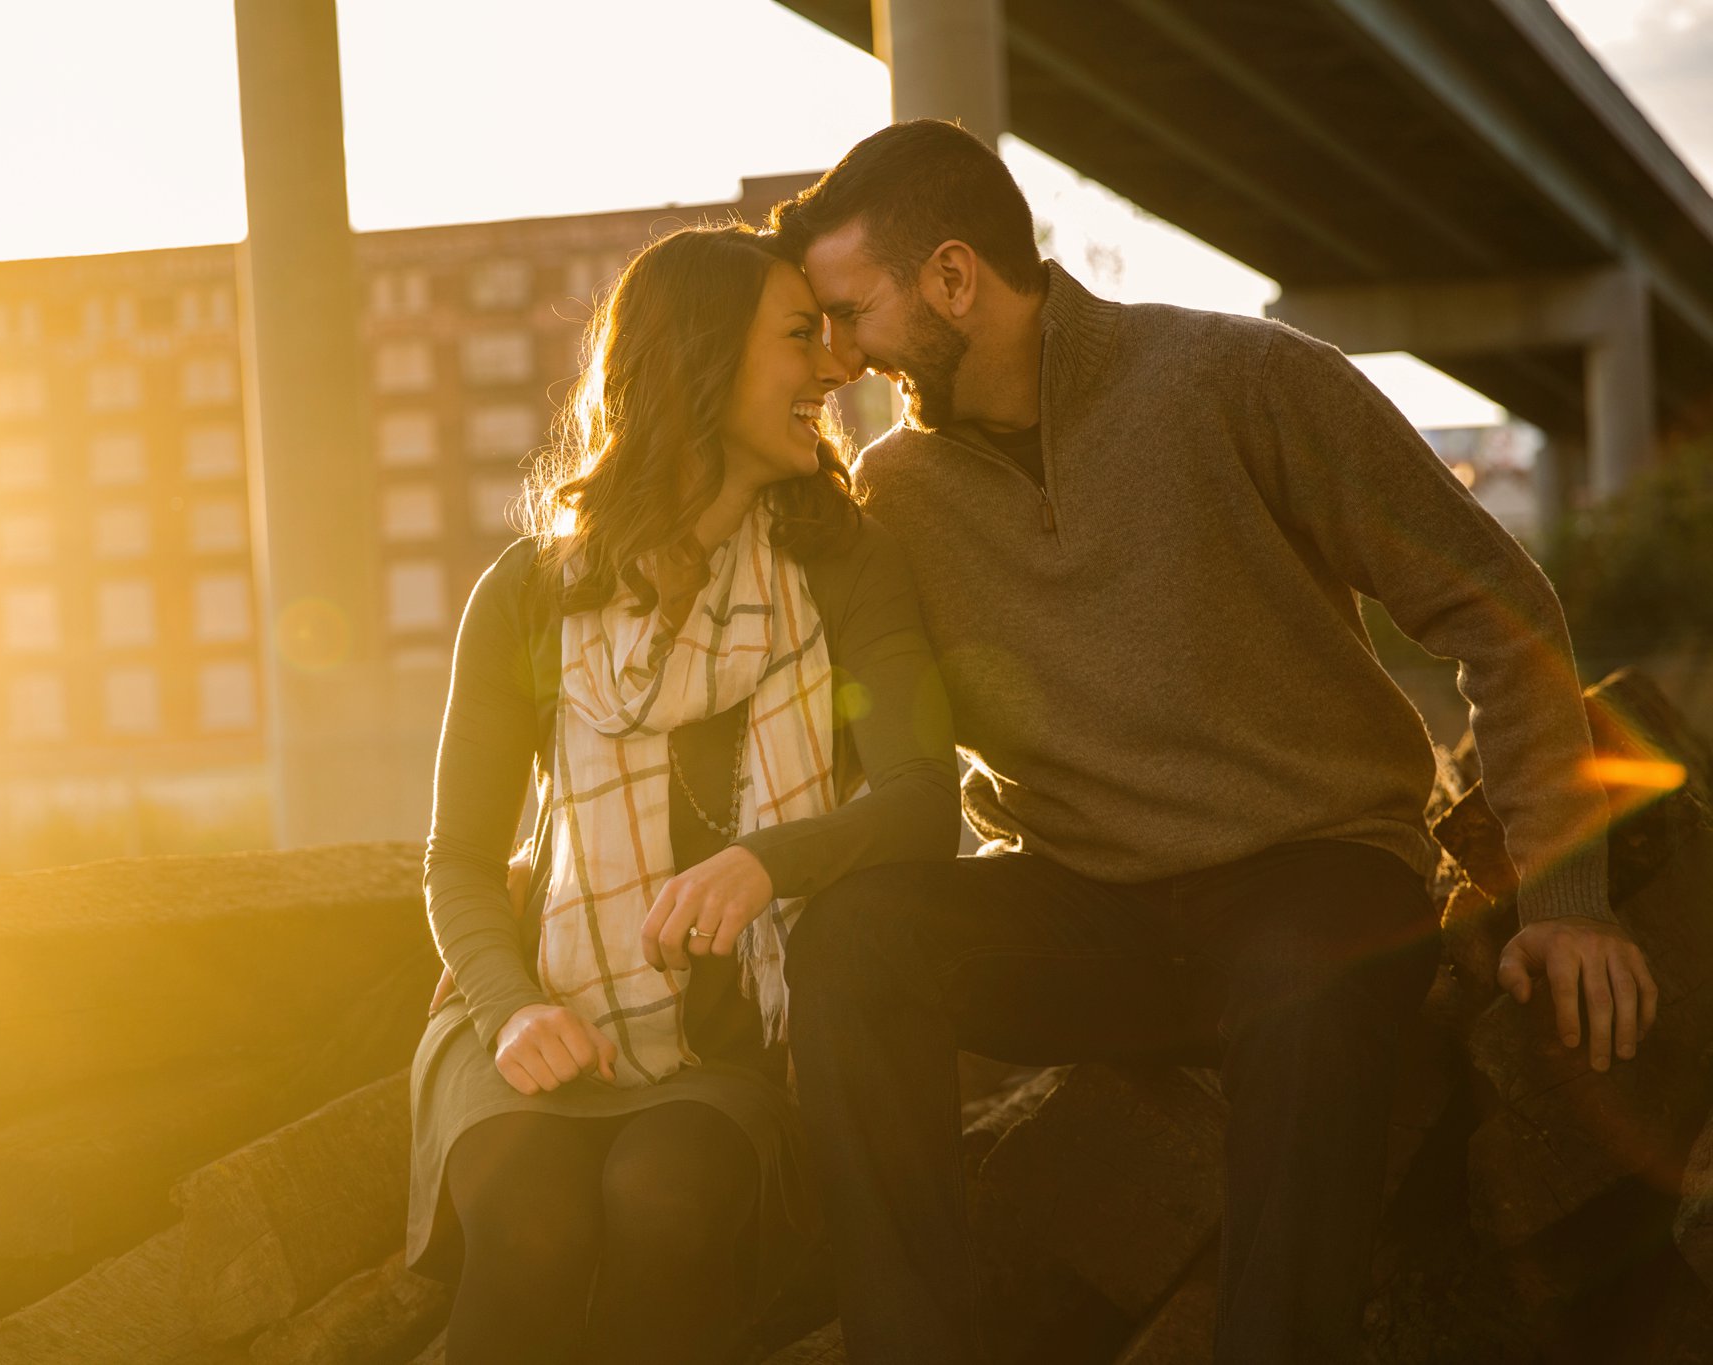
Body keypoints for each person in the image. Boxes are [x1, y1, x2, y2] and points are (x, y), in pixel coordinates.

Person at [766, 120, 1661, 1365]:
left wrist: (1564, 893)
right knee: (857, 947)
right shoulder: (892, 493)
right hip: (1084, 909)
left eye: (851, 311)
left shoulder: (1235, 379)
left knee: (1312, 964)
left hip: (1308, 872)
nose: (842, 353)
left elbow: (1501, 615)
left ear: (953, 279)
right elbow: (841, 733)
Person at [403, 222, 960, 1365]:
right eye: (799, 337)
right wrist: (511, 1009)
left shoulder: (845, 564)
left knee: (668, 1198)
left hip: (722, 1054)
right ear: (699, 359)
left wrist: (771, 863)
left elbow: (919, 798)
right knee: (529, 1216)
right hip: (527, 1014)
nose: (831, 368)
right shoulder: (525, 595)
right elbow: (457, 860)